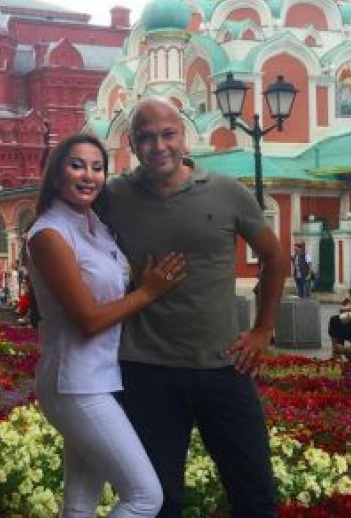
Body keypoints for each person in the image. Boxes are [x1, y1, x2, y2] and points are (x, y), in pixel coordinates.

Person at [97, 97, 286, 518]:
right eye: (146, 137)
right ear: (132, 143)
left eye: (168, 134)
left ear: (183, 136)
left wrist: (263, 329)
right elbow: (65, 216)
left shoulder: (226, 192)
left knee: (254, 491)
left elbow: (274, 257)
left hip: (223, 366)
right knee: (160, 501)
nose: (158, 146)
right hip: (146, 370)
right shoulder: (114, 196)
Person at [27, 133, 186, 518]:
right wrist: (148, 292)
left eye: (97, 168)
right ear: (56, 174)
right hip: (74, 382)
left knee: (80, 504)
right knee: (145, 497)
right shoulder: (49, 233)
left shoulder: (95, 225)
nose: (89, 176)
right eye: (77, 165)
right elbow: (88, 320)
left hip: (100, 376)